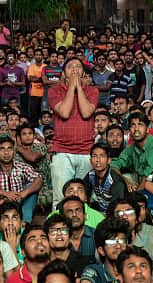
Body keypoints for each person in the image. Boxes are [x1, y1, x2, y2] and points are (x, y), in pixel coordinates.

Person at [48, 57, 98, 208]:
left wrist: (79, 88)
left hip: (86, 151)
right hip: (62, 151)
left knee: (85, 199)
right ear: (63, 73)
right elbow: (63, 112)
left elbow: (86, 112)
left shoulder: (92, 91)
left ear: (83, 73)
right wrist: (72, 87)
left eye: (78, 67)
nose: (75, 69)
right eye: (70, 67)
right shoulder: (54, 90)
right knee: (61, 198)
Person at [0, 136, 42, 223]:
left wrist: (23, 194)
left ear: (14, 151)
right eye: (2, 149)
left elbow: (38, 179)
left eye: (9, 149)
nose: (6, 152)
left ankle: (25, 222)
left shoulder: (22, 167)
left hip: (19, 203)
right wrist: (6, 194)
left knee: (31, 190)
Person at [107, 198, 153, 268]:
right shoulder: (107, 247)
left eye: (129, 213)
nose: (124, 217)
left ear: (137, 219)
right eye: (119, 214)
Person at [80, 218, 129, 283]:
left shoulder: (135, 269)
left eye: (122, 241)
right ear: (101, 250)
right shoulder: (94, 271)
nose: (118, 246)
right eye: (111, 242)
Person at [43, 214, 92, 279]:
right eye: (53, 231)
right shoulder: (41, 263)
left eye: (64, 230)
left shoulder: (85, 264)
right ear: (47, 236)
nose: (59, 234)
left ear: (70, 236)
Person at [82, 143, 127, 214]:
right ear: (90, 160)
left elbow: (118, 206)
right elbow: (83, 194)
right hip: (102, 212)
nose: (98, 160)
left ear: (109, 160)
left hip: (116, 214)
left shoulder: (115, 180)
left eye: (102, 156)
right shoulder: (91, 175)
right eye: (94, 156)